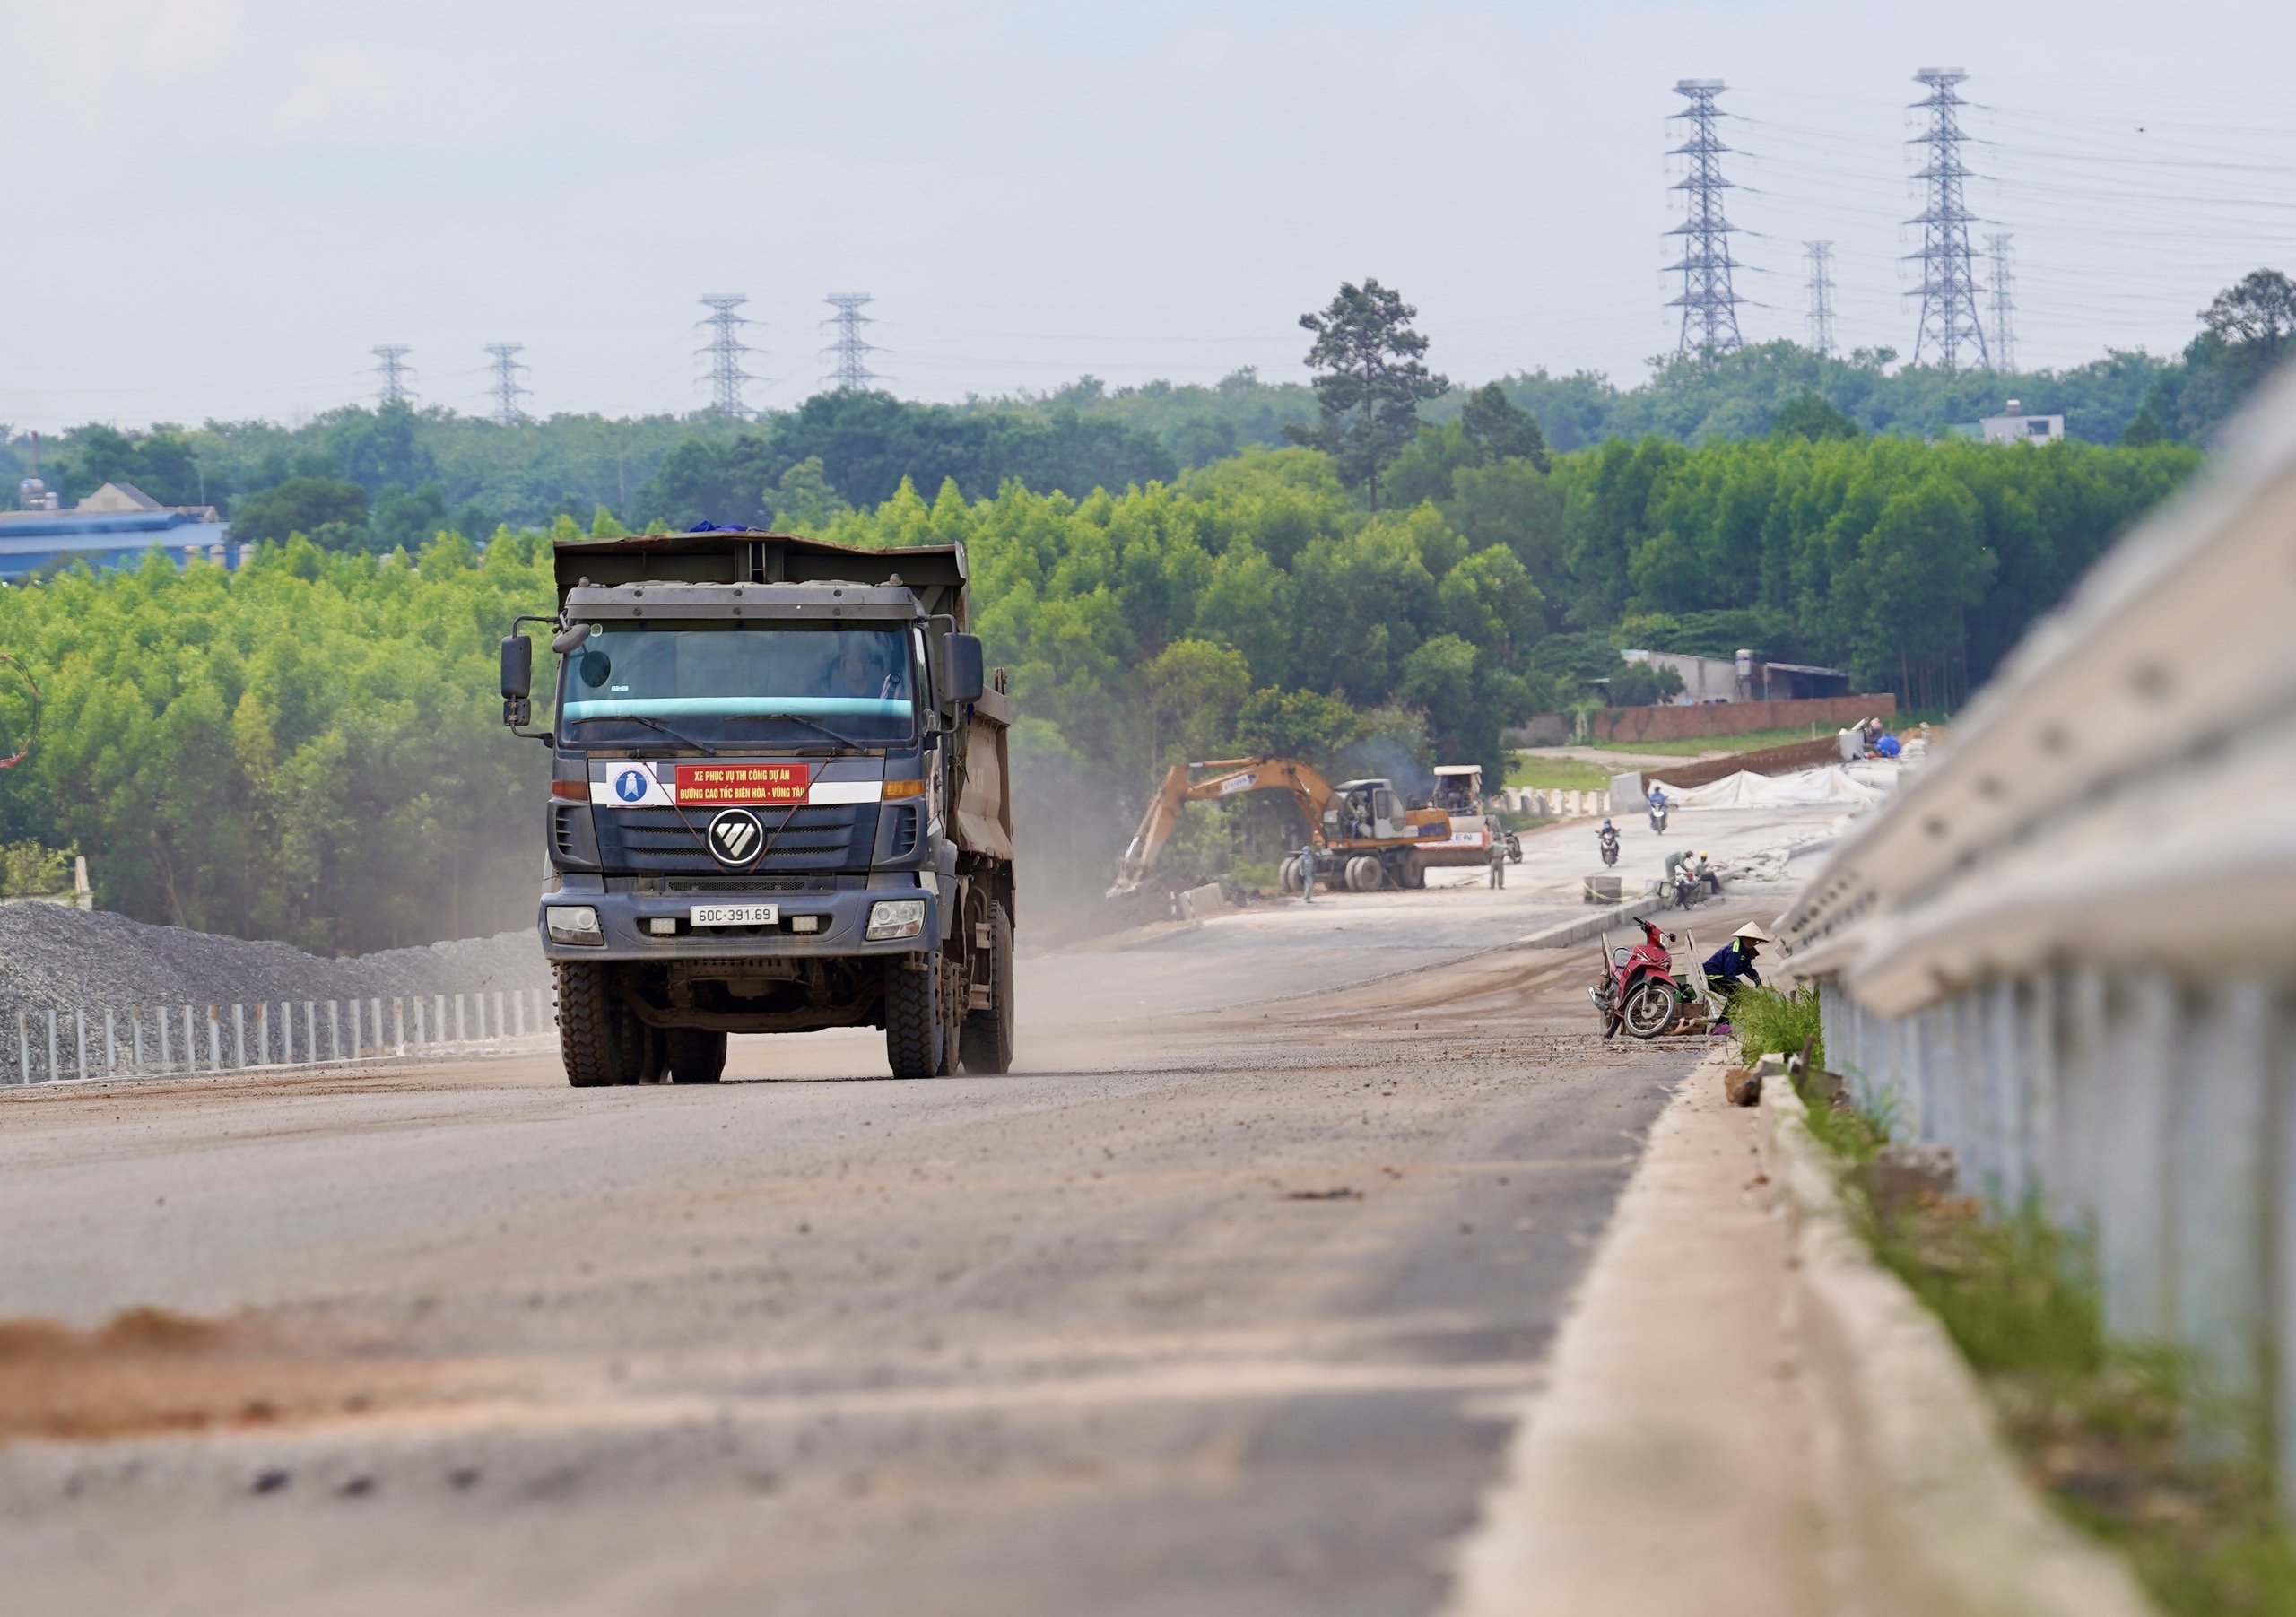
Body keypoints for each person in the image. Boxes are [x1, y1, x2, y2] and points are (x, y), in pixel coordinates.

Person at [1703, 922, 1770, 994]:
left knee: (1743, 992)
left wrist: (1758, 982)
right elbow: (1729, 974)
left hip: (1723, 976)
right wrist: (1742, 986)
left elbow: (1747, 968)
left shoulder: (1748, 951)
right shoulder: (1734, 952)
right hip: (1713, 976)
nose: (1750, 942)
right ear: (1742, 938)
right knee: (1742, 993)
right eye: (1748, 938)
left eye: (1753, 939)